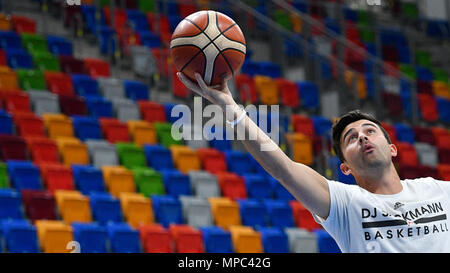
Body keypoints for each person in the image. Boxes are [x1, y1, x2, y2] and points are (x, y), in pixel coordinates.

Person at [176, 72, 450, 253]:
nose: (363, 138)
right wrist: (229, 107)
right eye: (351, 139)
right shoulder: (345, 204)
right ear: (345, 167)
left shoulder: (437, 190)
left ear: (392, 149)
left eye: (369, 131)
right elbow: (283, 168)